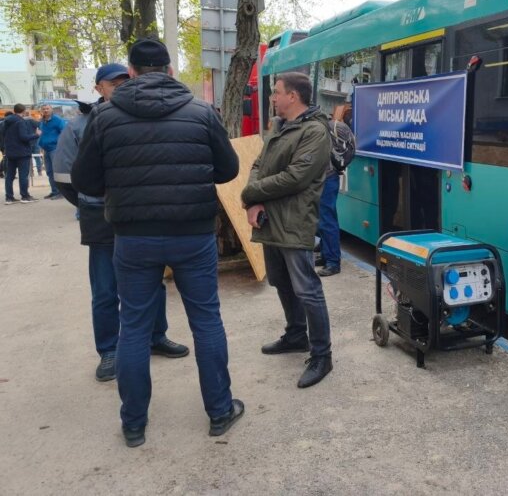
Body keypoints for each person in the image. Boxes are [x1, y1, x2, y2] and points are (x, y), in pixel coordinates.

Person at [72, 39, 242, 448]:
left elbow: (85, 180)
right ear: (169, 70)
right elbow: (228, 170)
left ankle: (134, 423)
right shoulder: (201, 112)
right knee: (206, 321)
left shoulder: (105, 116)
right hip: (193, 235)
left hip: (133, 238)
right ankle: (219, 411)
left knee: (133, 326)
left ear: (130, 72)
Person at [54, 63, 190, 384]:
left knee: (152, 282)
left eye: (124, 82)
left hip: (139, 218)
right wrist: (92, 200)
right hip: (101, 218)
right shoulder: (80, 125)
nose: (119, 87)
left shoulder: (140, 118)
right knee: (105, 288)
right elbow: (64, 177)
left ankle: (156, 336)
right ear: (98, 88)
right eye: (112, 84)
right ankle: (109, 350)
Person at [241, 71, 333, 388]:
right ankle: (296, 335)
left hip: (294, 221)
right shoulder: (280, 127)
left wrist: (250, 194)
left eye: (277, 92)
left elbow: (296, 177)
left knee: (307, 288)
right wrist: (253, 201)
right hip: (270, 218)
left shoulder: (315, 131)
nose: (273, 98)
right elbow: (258, 165)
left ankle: (322, 355)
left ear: (293, 96)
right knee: (280, 281)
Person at [315, 118, 355, 277]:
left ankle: (333, 262)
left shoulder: (314, 127)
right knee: (324, 218)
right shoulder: (319, 124)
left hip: (325, 178)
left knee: (327, 220)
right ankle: (326, 255)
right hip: (326, 177)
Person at [4, 104, 38, 204]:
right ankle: (25, 196)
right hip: (22, 152)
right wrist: (36, 135)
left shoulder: (6, 121)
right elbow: (24, 137)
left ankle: (9, 198)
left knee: (9, 176)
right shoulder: (21, 122)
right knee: (23, 175)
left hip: (10, 152)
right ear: (23, 111)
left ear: (14, 110)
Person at [39, 104, 65, 199]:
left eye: (47, 108)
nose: (45, 110)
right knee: (49, 171)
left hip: (55, 149)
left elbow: (64, 132)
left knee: (56, 171)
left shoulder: (57, 120)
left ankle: (60, 192)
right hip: (46, 149)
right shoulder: (42, 121)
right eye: (44, 109)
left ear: (51, 110)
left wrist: (58, 143)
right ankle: (54, 191)